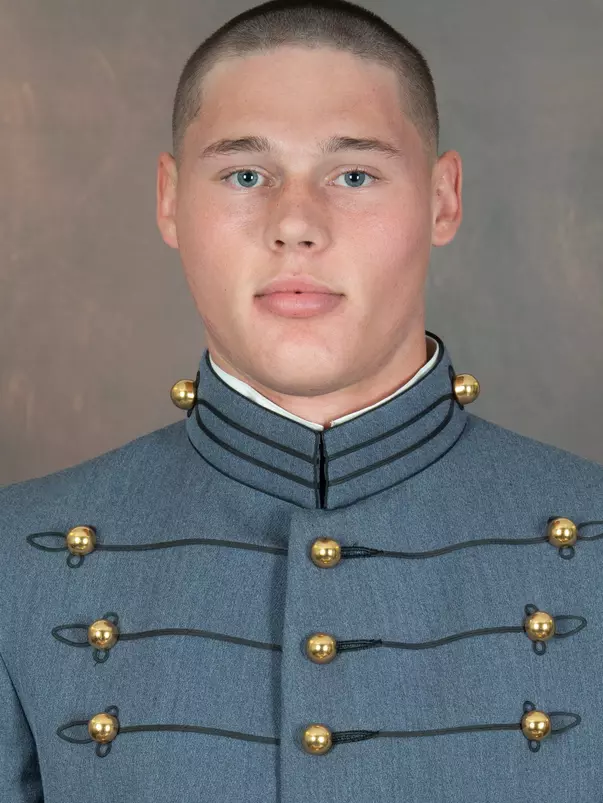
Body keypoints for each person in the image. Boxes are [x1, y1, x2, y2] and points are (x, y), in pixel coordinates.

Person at [1, 0, 602, 800]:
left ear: (441, 198)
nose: (294, 224)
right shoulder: (17, 558)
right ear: (170, 199)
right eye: (245, 174)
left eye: (352, 174)